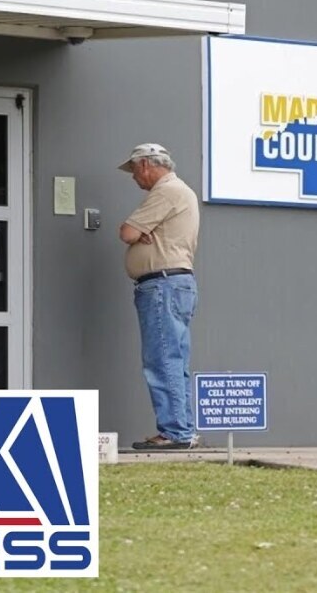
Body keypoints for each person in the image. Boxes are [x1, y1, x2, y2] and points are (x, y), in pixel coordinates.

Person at [117, 143, 201, 450]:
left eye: (134, 170)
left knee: (162, 359)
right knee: (174, 359)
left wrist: (138, 233)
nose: (133, 177)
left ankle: (175, 432)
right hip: (174, 284)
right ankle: (182, 429)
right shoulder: (180, 191)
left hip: (161, 285)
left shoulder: (166, 191)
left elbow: (126, 232)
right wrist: (142, 233)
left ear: (145, 165)